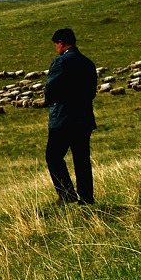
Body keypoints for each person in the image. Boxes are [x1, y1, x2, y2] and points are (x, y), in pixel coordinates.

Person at [45, 28, 97, 205]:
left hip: (63, 119)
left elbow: (50, 89)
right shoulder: (88, 63)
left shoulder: (61, 62)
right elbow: (91, 92)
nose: (56, 48)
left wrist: (51, 101)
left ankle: (67, 195)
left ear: (61, 43)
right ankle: (87, 198)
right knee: (81, 159)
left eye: (55, 45)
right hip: (84, 118)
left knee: (53, 156)